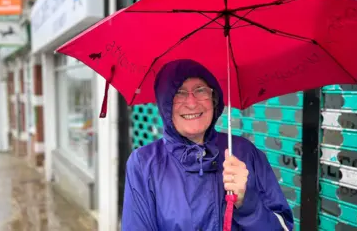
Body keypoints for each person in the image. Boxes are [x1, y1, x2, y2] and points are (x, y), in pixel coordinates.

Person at [122, 59, 293, 231]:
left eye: (200, 90)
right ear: (165, 104)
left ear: (214, 99)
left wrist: (248, 204)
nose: (191, 103)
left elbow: (283, 227)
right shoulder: (144, 163)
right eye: (179, 93)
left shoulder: (245, 153)